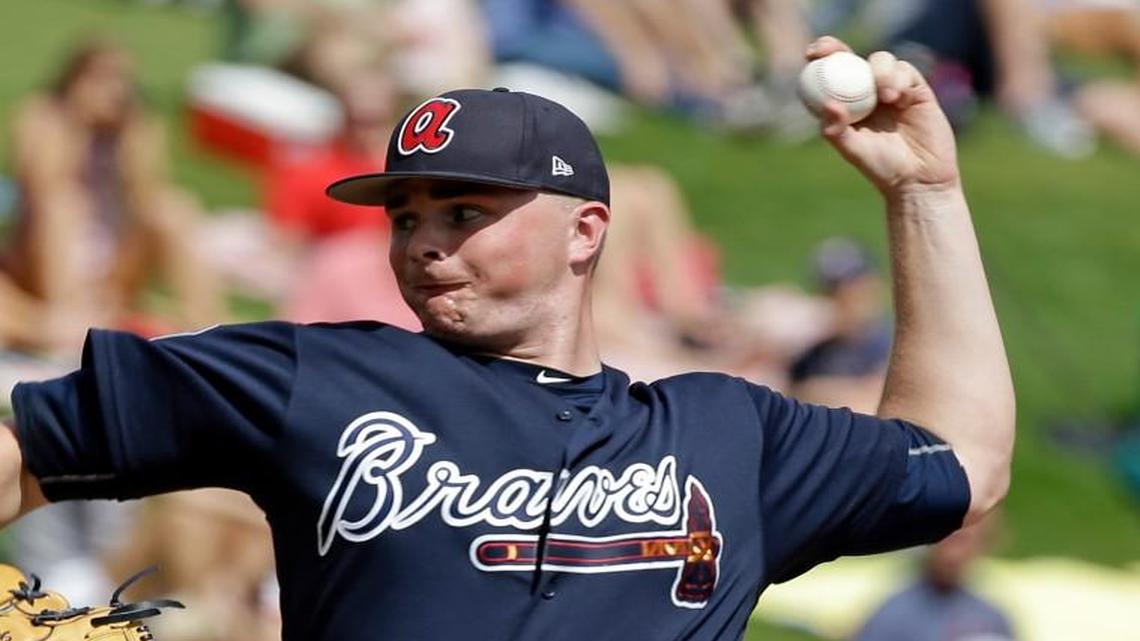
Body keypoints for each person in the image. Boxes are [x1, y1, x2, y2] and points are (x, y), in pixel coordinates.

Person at [1, 36, 1015, 641]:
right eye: (406, 216)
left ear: (586, 230)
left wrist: (924, 190)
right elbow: (24, 451)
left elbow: (962, 458)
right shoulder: (315, 375)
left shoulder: (727, 436)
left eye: (464, 211)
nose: (425, 242)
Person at [851, 516, 1015, 641]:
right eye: (948, 541)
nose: (953, 554)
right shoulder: (891, 616)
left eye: (964, 541)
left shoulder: (991, 616)